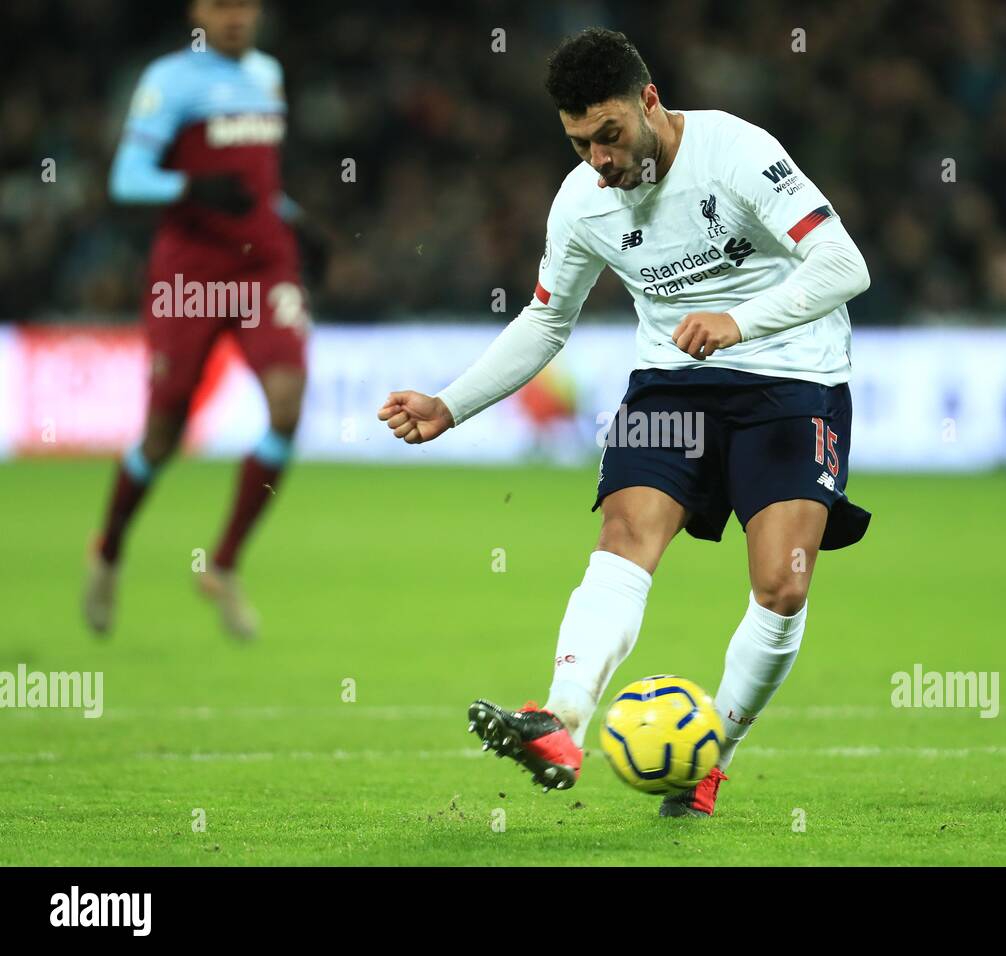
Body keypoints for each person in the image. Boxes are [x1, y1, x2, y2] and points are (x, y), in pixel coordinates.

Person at [378, 29, 871, 817]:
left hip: (792, 378)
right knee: (625, 535)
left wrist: (739, 321)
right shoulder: (581, 204)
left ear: (650, 102)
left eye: (609, 136)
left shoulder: (737, 152)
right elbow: (545, 322)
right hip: (672, 384)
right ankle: (560, 718)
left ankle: (711, 759)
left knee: (782, 586)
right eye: (580, 144)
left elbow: (846, 266)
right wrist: (450, 403)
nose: (600, 160)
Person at [83, 0, 326, 639]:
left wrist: (291, 214)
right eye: (222, 5)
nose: (236, 16)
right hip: (190, 274)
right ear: (198, 11)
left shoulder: (268, 75)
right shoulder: (168, 80)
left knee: (286, 408)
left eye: (246, 4)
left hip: (264, 268)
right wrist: (189, 187)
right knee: (164, 431)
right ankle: (108, 550)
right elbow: (127, 178)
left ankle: (222, 565)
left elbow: (253, 182)